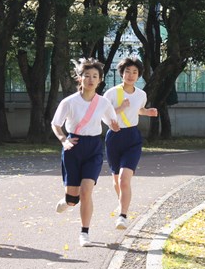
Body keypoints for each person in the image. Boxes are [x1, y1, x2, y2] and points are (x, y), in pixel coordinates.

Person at [51, 58, 119, 247]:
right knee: (73, 198)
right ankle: (68, 201)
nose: (90, 79)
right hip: (73, 146)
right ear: (80, 79)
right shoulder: (69, 102)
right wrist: (64, 140)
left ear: (100, 80)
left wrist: (114, 127)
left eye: (94, 76)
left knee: (87, 191)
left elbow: (111, 122)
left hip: (94, 148)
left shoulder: (104, 103)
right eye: (87, 76)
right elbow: (55, 124)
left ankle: (85, 233)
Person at [104, 57, 157, 230]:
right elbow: (104, 115)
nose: (131, 75)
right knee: (116, 180)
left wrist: (147, 112)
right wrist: (119, 108)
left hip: (132, 137)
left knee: (125, 179)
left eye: (135, 72)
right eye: (127, 71)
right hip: (114, 136)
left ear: (139, 75)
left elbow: (138, 109)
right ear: (122, 73)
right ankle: (122, 204)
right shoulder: (111, 93)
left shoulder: (141, 94)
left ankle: (123, 215)